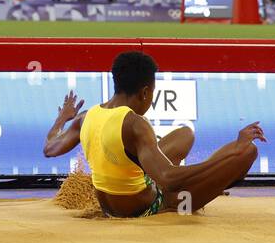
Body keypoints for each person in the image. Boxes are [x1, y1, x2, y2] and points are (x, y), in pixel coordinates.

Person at [41, 51, 263, 218]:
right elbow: (169, 178)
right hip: (151, 206)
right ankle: (215, 179)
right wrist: (231, 153)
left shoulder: (85, 116)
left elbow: (49, 148)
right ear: (145, 92)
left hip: (113, 201)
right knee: (247, 152)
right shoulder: (135, 124)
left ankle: (199, 174)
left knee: (185, 134)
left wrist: (62, 118)